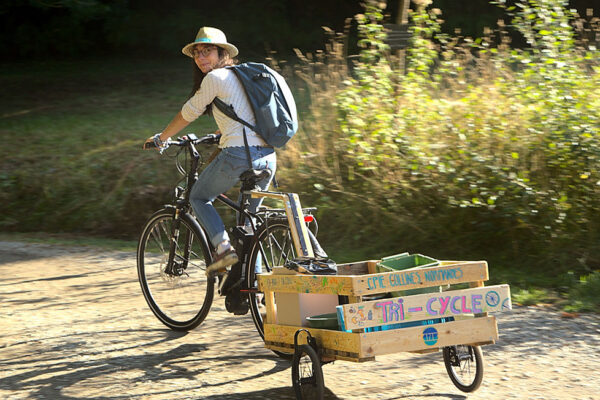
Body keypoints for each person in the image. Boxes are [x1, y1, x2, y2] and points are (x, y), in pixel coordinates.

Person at [143, 27, 276, 275]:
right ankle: (256, 290)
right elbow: (243, 117)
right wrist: (219, 135)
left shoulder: (215, 78)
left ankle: (224, 250)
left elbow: (188, 113)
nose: (202, 58)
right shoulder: (241, 76)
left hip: (239, 155)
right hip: (267, 157)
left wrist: (162, 138)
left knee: (198, 197)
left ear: (222, 52)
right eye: (197, 53)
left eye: (208, 51)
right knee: (249, 226)